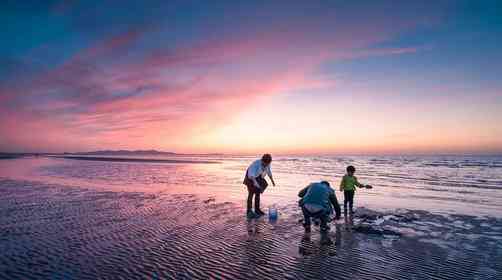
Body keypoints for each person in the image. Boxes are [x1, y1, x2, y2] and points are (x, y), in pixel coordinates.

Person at [243, 154, 276, 218]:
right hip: (250, 177)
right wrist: (256, 184)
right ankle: (249, 211)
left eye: (267, 164)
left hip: (257, 176)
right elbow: (251, 176)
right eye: (265, 164)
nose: (266, 165)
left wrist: (272, 181)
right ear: (262, 161)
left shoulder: (267, 164)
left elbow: (269, 171)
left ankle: (257, 210)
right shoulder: (255, 164)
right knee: (251, 193)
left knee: (258, 193)